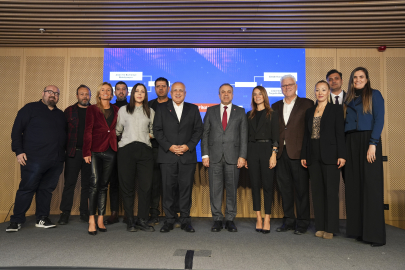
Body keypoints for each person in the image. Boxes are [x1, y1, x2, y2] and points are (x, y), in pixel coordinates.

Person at [7, 85, 66, 232]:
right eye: (50, 92)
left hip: (56, 160)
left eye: (56, 93)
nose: (53, 95)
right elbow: (16, 131)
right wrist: (18, 151)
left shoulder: (61, 114)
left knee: (46, 190)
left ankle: (41, 218)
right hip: (33, 159)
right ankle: (16, 220)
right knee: (27, 189)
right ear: (43, 94)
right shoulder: (30, 109)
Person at [153, 82, 203, 233]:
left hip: (187, 156)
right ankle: (169, 220)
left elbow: (198, 130)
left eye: (181, 90)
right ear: (170, 92)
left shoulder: (193, 109)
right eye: (175, 90)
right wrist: (170, 146)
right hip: (168, 155)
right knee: (168, 189)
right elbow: (157, 130)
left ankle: (186, 220)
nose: (178, 93)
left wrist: (188, 146)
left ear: (185, 93)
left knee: (185, 189)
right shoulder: (161, 108)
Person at [344, 67, 385, 247]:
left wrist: (373, 144)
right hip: (350, 141)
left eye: (361, 77)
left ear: (367, 79)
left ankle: (374, 235)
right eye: (355, 77)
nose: (358, 80)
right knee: (354, 185)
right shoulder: (348, 98)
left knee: (371, 187)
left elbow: (379, 119)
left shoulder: (375, 95)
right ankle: (358, 231)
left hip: (368, 141)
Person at [301, 80, 346, 239]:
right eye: (317, 90)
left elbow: (340, 133)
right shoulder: (309, 111)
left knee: (331, 193)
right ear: (314, 92)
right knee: (317, 193)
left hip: (331, 156)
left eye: (323, 90)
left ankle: (331, 228)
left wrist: (342, 155)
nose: (320, 92)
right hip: (313, 156)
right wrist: (304, 155)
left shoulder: (335, 109)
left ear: (328, 92)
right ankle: (320, 226)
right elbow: (306, 136)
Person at [201, 83, 248, 232]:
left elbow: (244, 136)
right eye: (223, 92)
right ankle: (217, 219)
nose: (226, 94)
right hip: (214, 157)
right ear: (219, 95)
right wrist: (205, 154)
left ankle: (229, 219)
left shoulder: (240, 112)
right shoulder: (211, 111)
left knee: (232, 189)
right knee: (215, 189)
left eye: (229, 92)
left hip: (233, 157)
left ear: (233, 95)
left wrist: (242, 156)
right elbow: (205, 134)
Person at [272, 75, 314, 235]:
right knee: (285, 189)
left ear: (296, 86)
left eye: (290, 85)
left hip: (299, 155)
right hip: (281, 154)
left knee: (302, 190)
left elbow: (310, 131)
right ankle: (289, 221)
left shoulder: (307, 104)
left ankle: (303, 223)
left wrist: (306, 153)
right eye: (283, 86)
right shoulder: (275, 106)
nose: (287, 87)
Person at [116, 83, 155, 232]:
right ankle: (130, 221)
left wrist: (146, 136)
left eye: (142, 92)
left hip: (145, 150)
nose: (139, 94)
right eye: (137, 91)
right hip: (126, 150)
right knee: (128, 187)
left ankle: (143, 220)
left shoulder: (150, 111)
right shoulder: (123, 110)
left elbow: (153, 131)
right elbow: (118, 130)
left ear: (145, 95)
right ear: (132, 94)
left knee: (145, 187)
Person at [83, 82, 119, 235]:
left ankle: (100, 218)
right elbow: (88, 131)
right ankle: (91, 219)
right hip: (95, 150)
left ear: (112, 94)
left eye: (108, 90)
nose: (105, 92)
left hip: (111, 150)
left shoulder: (117, 109)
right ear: (98, 93)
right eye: (103, 90)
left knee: (104, 185)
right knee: (94, 184)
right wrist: (86, 152)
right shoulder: (92, 109)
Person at [245, 86, 279, 234]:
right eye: (255, 94)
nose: (257, 96)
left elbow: (276, 137)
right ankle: (258, 217)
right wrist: (245, 156)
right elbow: (245, 138)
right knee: (255, 185)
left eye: (260, 94)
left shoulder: (272, 114)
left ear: (264, 96)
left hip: (267, 151)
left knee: (267, 186)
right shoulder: (249, 115)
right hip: (252, 151)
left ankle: (267, 218)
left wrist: (273, 154)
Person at [58, 85, 92, 225]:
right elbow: (62, 133)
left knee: (87, 185)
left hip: (89, 154)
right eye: (81, 94)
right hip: (73, 153)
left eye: (87, 94)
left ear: (90, 95)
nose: (85, 96)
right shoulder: (69, 111)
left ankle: (84, 212)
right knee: (69, 184)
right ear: (77, 96)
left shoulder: (95, 111)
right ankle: (65, 213)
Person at [147, 77, 172, 226]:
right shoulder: (149, 105)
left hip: (169, 150)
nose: (161, 89)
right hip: (153, 149)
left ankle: (172, 214)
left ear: (168, 89)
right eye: (158, 86)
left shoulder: (174, 104)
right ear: (155, 89)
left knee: (170, 184)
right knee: (154, 183)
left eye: (163, 86)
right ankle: (154, 213)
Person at [105, 81, 128, 225]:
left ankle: (127, 212)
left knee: (126, 182)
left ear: (127, 91)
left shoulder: (132, 107)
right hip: (112, 149)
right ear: (114, 92)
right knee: (113, 182)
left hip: (127, 149)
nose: (121, 91)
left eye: (123, 89)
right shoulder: (110, 108)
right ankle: (114, 212)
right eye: (118, 89)